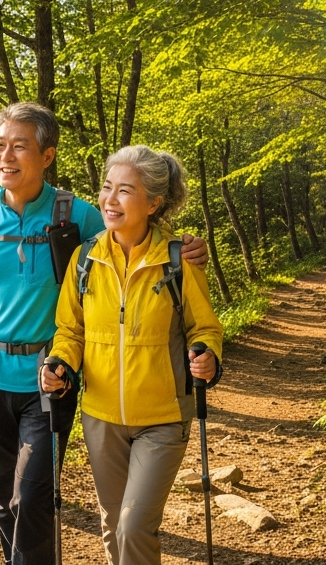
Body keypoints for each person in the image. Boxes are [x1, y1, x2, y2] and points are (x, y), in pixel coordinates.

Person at [0, 103, 209, 565]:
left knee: (32, 499)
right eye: (0, 145)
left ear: (47, 155)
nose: (5, 156)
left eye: (19, 146)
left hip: (51, 381)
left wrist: (187, 247)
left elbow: (134, 235)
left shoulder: (78, 216)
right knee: (6, 502)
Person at [41, 145, 224, 565]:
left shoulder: (178, 259)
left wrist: (207, 355)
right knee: (113, 525)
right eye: (107, 187)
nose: (110, 199)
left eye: (125, 190)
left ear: (153, 203)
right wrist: (60, 363)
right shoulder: (85, 259)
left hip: (163, 417)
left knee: (133, 526)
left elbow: (205, 328)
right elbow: (70, 330)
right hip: (100, 416)